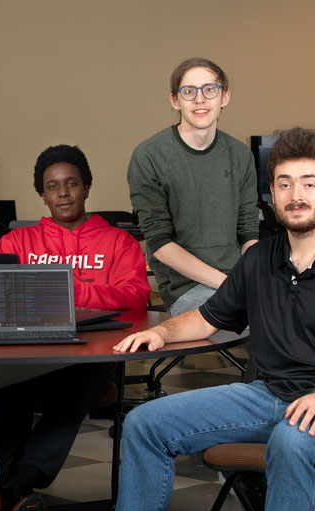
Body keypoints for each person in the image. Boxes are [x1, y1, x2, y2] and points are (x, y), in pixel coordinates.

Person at [112, 128, 315, 511]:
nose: (296, 194)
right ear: (272, 196)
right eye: (284, 184)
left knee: (292, 441)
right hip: (270, 394)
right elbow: (209, 317)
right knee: (145, 424)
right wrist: (163, 333)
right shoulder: (259, 260)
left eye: (308, 183)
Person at [0, 145, 149, 511]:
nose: (62, 193)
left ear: (87, 187)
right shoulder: (17, 242)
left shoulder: (118, 243)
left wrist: (61, 293)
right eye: (52, 186)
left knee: (74, 387)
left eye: (71, 184)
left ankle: (5, 492)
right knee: (9, 391)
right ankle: (7, 491)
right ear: (42, 194)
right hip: (26, 353)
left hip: (89, 359)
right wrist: (83, 293)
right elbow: (1, 293)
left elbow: (136, 296)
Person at [127, 57, 258, 316]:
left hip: (238, 282)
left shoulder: (240, 155)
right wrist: (228, 285)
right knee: (268, 320)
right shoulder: (149, 156)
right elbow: (160, 243)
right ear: (175, 100)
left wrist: (254, 280)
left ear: (225, 97)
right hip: (185, 289)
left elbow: (248, 232)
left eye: (210, 89)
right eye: (189, 91)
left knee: (302, 310)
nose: (200, 99)